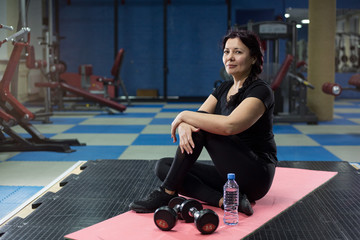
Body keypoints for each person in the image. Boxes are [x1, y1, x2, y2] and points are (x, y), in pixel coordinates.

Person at [129, 29, 277, 216]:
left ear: (254, 58)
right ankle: (226, 201)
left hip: (256, 175)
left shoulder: (261, 91)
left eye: (238, 52)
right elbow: (199, 116)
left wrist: (183, 115)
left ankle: (167, 192)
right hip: (230, 174)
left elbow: (229, 125)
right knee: (163, 167)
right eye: (226, 51)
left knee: (204, 128)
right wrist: (184, 124)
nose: (230, 57)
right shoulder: (223, 88)